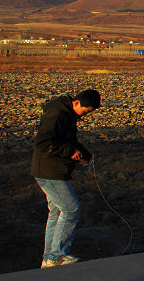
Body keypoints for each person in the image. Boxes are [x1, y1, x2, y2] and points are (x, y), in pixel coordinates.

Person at [31, 88, 101, 268]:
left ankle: (49, 258)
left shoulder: (67, 115)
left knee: (56, 212)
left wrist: (82, 153)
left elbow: (67, 140)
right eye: (85, 112)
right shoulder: (56, 115)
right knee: (71, 209)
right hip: (49, 171)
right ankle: (57, 255)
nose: (85, 116)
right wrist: (70, 152)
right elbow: (42, 143)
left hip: (53, 170)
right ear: (76, 103)